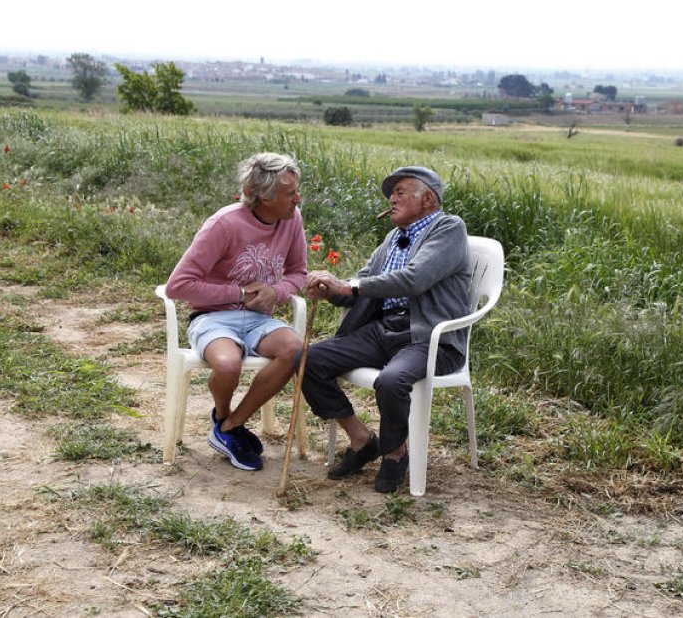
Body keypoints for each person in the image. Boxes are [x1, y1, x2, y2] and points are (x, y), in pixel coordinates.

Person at [300, 166, 470, 494]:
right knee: (307, 359)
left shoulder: (448, 228)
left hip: (427, 337)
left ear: (429, 199)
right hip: (384, 331)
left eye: (401, 192)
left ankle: (395, 453)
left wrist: (350, 287)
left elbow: (414, 279)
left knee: (391, 381)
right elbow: (361, 281)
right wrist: (332, 289)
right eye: (391, 194)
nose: (391, 198)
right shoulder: (393, 237)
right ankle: (362, 440)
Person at [165, 152, 307, 471]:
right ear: (263, 197)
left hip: (260, 320)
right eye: (290, 194)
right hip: (212, 317)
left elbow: (298, 271)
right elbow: (178, 285)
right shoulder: (224, 224)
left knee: (295, 350)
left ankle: (230, 427)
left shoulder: (291, 219)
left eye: (297, 191)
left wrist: (277, 291)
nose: (298, 199)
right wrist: (239, 294)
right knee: (229, 365)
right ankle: (222, 414)